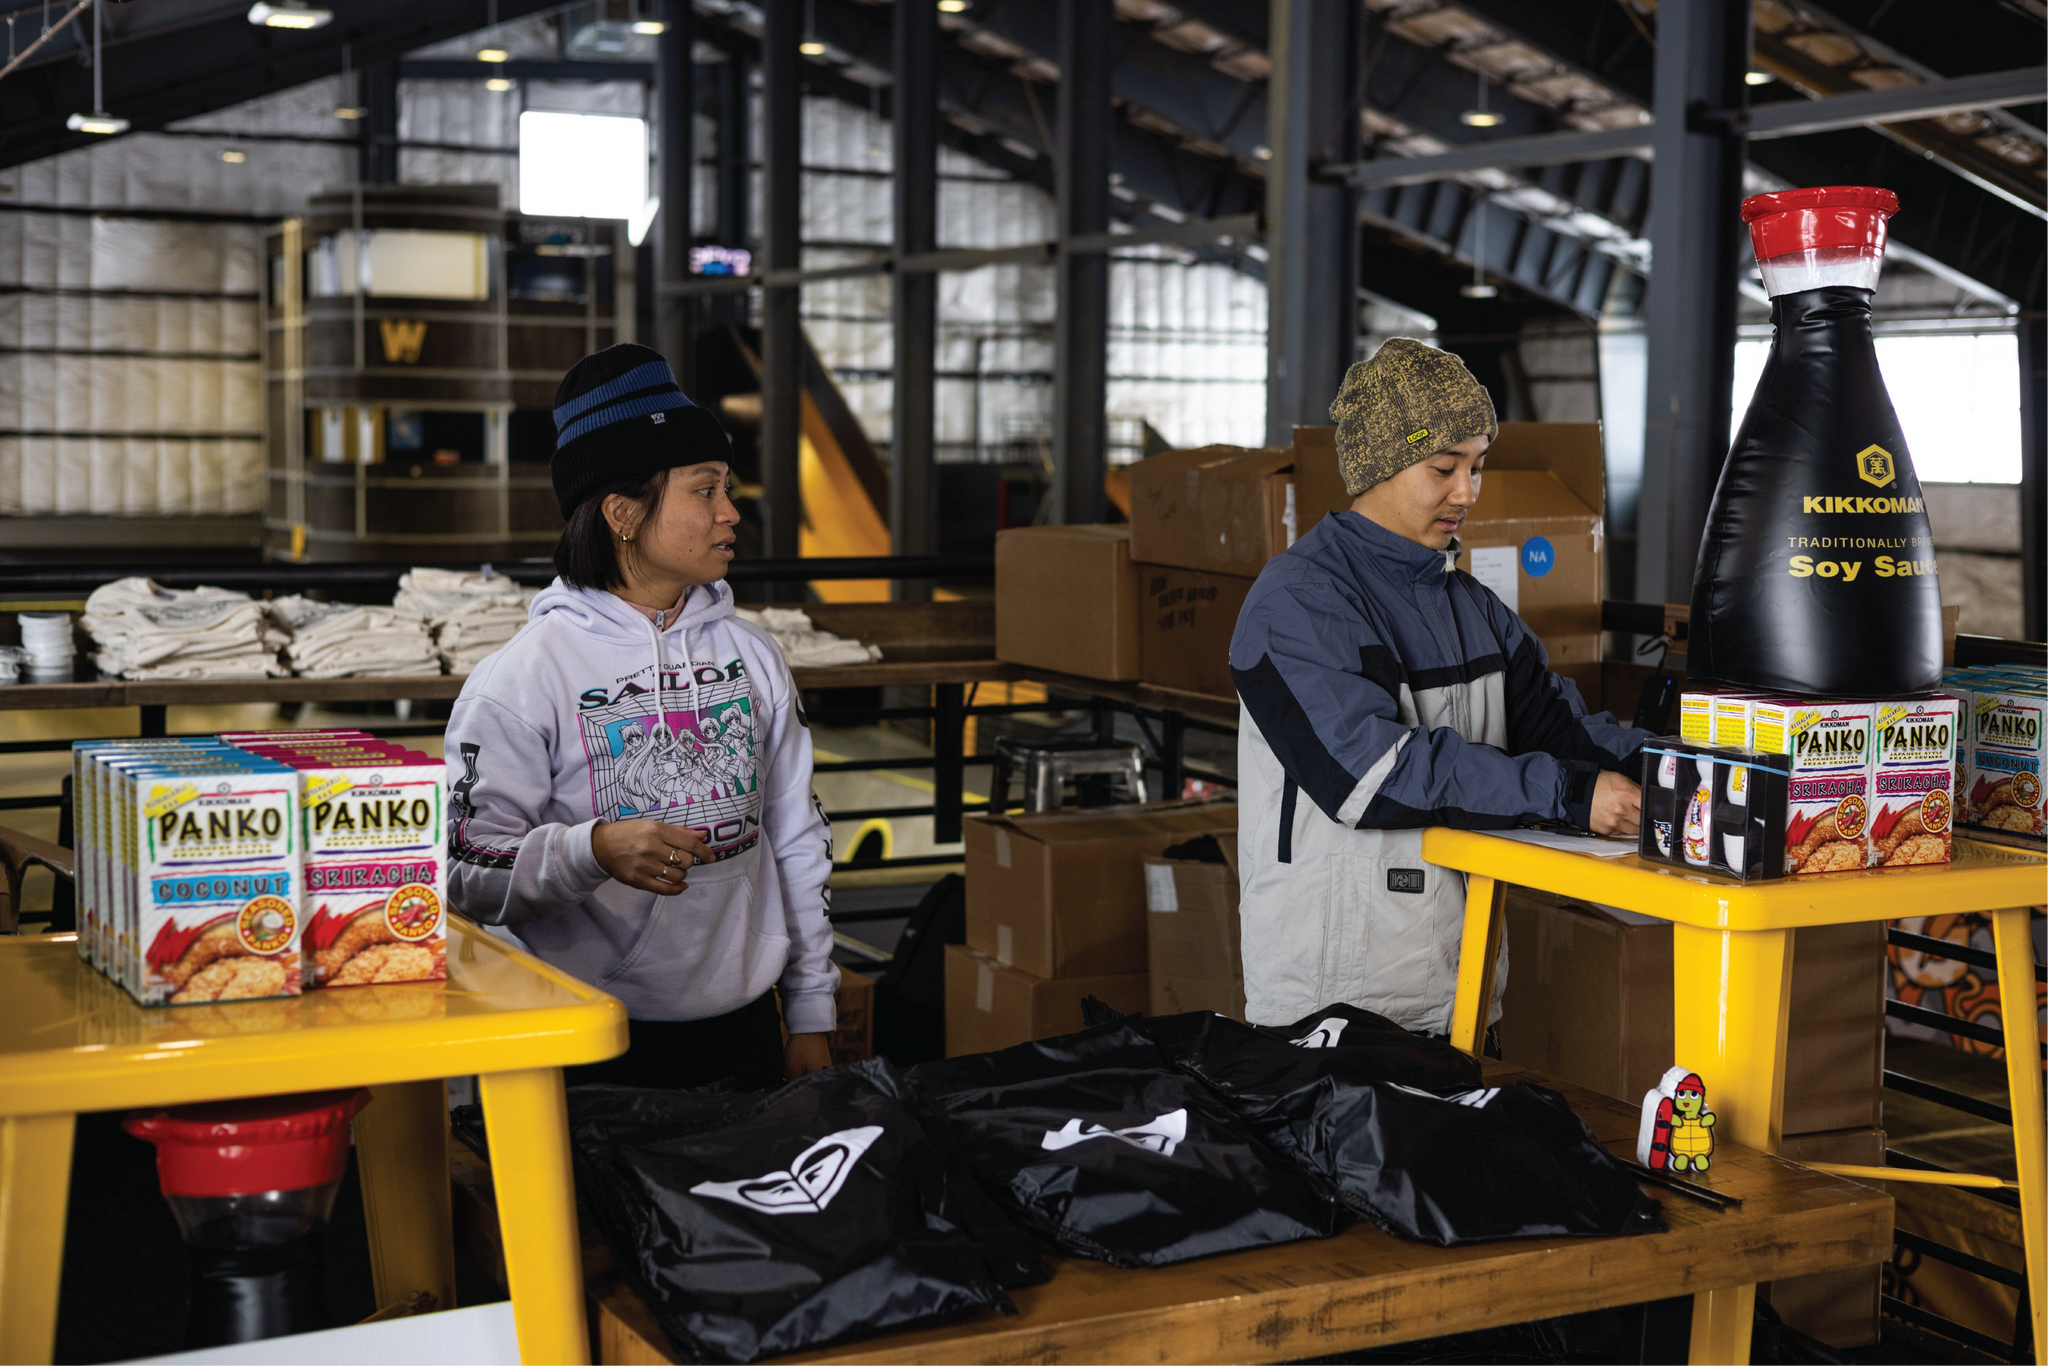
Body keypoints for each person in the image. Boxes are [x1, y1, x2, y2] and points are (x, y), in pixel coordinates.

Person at [1228, 338, 1649, 1037]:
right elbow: (1371, 776)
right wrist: (1569, 795)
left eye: (1477, 466)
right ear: (1380, 468)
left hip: (1463, 989)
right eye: (1443, 467)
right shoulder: (1297, 602)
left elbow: (1562, 731)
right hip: (1337, 1008)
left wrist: (1695, 766)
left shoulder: (1471, 606)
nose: (1467, 492)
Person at [443, 343, 836, 1090]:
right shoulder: (523, 678)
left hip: (744, 1027)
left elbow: (797, 837)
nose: (730, 512)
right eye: (705, 490)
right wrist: (589, 850)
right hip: (581, 1036)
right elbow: (464, 871)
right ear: (623, 513)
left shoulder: (754, 656)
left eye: (726, 488)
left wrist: (811, 1007)